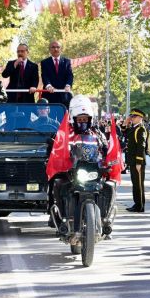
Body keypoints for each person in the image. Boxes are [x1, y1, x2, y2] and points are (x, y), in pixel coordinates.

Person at [49, 94, 115, 235]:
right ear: (74, 119)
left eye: (85, 119)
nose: (83, 121)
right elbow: (57, 149)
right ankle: (60, 219)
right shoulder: (65, 133)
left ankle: (105, 219)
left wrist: (111, 162)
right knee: (58, 184)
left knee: (110, 186)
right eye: (80, 119)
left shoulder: (98, 134)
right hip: (72, 172)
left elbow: (107, 150)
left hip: (94, 171)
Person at [123, 109, 147, 213]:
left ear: (140, 118)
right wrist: (125, 122)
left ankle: (140, 206)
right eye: (131, 117)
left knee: (138, 184)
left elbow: (141, 147)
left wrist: (139, 162)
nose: (132, 118)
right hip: (132, 161)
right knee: (135, 184)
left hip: (137, 162)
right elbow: (124, 133)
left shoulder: (140, 129)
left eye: (134, 117)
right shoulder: (133, 128)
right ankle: (137, 203)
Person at [40, 41, 73, 107]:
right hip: (49, 95)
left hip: (64, 96)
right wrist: (48, 86)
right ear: (49, 49)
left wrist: (68, 85)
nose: (56, 49)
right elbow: (44, 76)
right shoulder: (44, 62)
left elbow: (70, 75)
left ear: (61, 49)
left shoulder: (67, 62)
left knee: (64, 116)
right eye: (53, 47)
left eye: (58, 47)